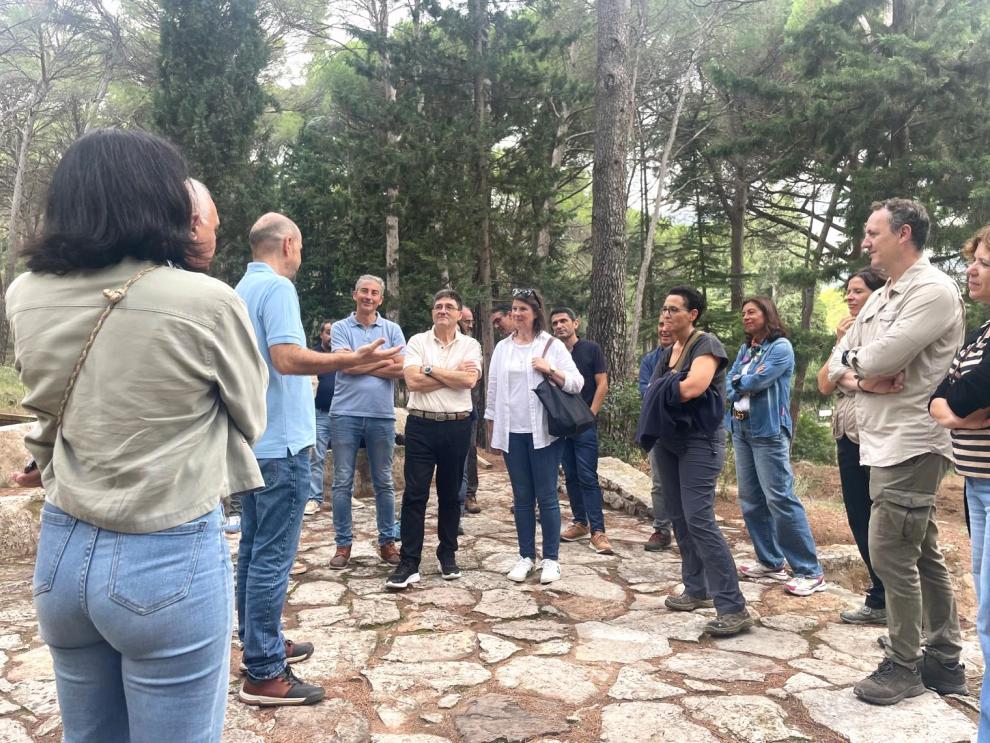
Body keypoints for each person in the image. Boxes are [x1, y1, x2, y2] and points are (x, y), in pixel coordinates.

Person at [6, 128, 268, 740]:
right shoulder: (206, 301)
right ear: (157, 199)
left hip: (63, 550)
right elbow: (251, 416)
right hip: (166, 548)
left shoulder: (25, 293)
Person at [235, 215, 401, 706]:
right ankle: (265, 672)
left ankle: (257, 641)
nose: (301, 255)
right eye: (301, 246)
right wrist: (347, 360)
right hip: (284, 445)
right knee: (272, 558)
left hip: (253, 442)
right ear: (288, 243)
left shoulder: (239, 288)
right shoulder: (279, 289)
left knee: (250, 549)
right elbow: (286, 358)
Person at [830, 198, 965, 705]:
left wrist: (855, 366)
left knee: (889, 550)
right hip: (881, 441)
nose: (865, 242)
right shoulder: (885, 294)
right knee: (922, 551)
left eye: (872, 232)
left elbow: (883, 355)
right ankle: (945, 660)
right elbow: (837, 367)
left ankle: (905, 663)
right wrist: (860, 375)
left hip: (911, 442)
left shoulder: (931, 291)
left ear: (903, 234)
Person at [642, 287, 753, 636]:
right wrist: (667, 384)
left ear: (693, 315)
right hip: (669, 441)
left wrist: (662, 388)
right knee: (679, 517)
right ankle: (696, 588)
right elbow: (663, 387)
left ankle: (733, 607)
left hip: (700, 444)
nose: (666, 315)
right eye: (664, 309)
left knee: (700, 519)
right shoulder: (667, 352)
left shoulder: (707, 345)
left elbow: (693, 387)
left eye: (674, 309)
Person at [930, 224, 990, 730]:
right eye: (975, 259)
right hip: (976, 485)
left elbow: (967, 393)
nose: (972, 268)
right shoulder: (980, 334)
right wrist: (958, 409)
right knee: (986, 613)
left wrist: (957, 406)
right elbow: (943, 390)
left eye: (985, 263)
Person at [727, 296, 826, 597]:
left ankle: (810, 570)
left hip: (768, 431)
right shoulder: (747, 349)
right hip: (741, 427)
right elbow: (728, 382)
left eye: (752, 312)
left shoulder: (780, 347)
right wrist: (741, 379)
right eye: (743, 313)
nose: (746, 317)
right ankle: (770, 561)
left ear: (767, 314)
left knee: (780, 498)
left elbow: (757, 382)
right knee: (750, 498)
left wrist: (740, 380)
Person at [386, 289, 483, 589]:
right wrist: (448, 373)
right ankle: (409, 562)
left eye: (449, 306)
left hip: (456, 426)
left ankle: (447, 555)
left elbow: (469, 381)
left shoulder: (470, 344)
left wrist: (430, 369)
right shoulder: (417, 341)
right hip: (421, 425)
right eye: (438, 306)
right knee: (415, 494)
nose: (442, 310)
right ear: (433, 312)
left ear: (458, 314)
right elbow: (412, 380)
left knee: (451, 494)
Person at [485, 288, 582, 584]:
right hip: (513, 432)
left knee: (547, 496)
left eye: (522, 309)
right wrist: (492, 426)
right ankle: (526, 555)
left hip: (544, 434)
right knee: (522, 497)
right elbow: (493, 388)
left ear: (536, 312)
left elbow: (576, 383)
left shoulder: (551, 345)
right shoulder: (503, 348)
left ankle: (551, 558)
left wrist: (549, 369)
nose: (516, 314)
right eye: (513, 309)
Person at [817, 269, 887, 625]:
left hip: (876, 437)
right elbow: (824, 383)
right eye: (847, 291)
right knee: (859, 518)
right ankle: (879, 595)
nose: (849, 297)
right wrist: (839, 345)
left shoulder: (884, 331)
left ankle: (891, 597)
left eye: (857, 291)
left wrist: (848, 376)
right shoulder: (846, 334)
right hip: (847, 436)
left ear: (876, 294)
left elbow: (879, 378)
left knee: (882, 520)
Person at [328, 275, 406, 569]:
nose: (369, 297)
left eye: (375, 293)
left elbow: (400, 369)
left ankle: (387, 542)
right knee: (342, 482)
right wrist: (376, 364)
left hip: (382, 415)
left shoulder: (392, 329)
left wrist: (358, 364)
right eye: (364, 291)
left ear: (381, 299)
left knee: (384, 481)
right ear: (354, 294)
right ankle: (343, 544)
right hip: (345, 414)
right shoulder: (340, 328)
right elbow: (342, 365)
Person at [551, 307, 613, 554]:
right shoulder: (552, 353)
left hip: (584, 425)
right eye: (554, 322)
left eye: (564, 321)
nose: (559, 326)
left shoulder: (591, 349)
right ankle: (580, 522)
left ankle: (598, 531)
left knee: (588, 476)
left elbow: (602, 383)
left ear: (575, 323)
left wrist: (591, 414)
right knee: (571, 475)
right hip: (561, 425)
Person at [639, 313, 675, 550]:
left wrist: (661, 389)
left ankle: (690, 531)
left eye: (668, 325)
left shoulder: (695, 353)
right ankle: (661, 530)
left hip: (686, 429)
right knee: (659, 484)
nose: (663, 329)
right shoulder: (650, 360)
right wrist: (673, 389)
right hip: (658, 429)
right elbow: (646, 391)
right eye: (660, 324)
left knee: (688, 484)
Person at [306, 319, 336, 516]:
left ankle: (344, 495)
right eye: (328, 332)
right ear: (321, 334)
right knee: (316, 457)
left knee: (344, 459)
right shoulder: (313, 355)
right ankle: (314, 498)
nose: (331, 336)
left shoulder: (345, 355)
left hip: (343, 414)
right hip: (320, 414)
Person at [458, 307, 482, 515]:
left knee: (470, 449)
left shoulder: (471, 346)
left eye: (471, 321)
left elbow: (470, 378)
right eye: (467, 321)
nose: (471, 325)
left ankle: (469, 494)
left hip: (469, 406)